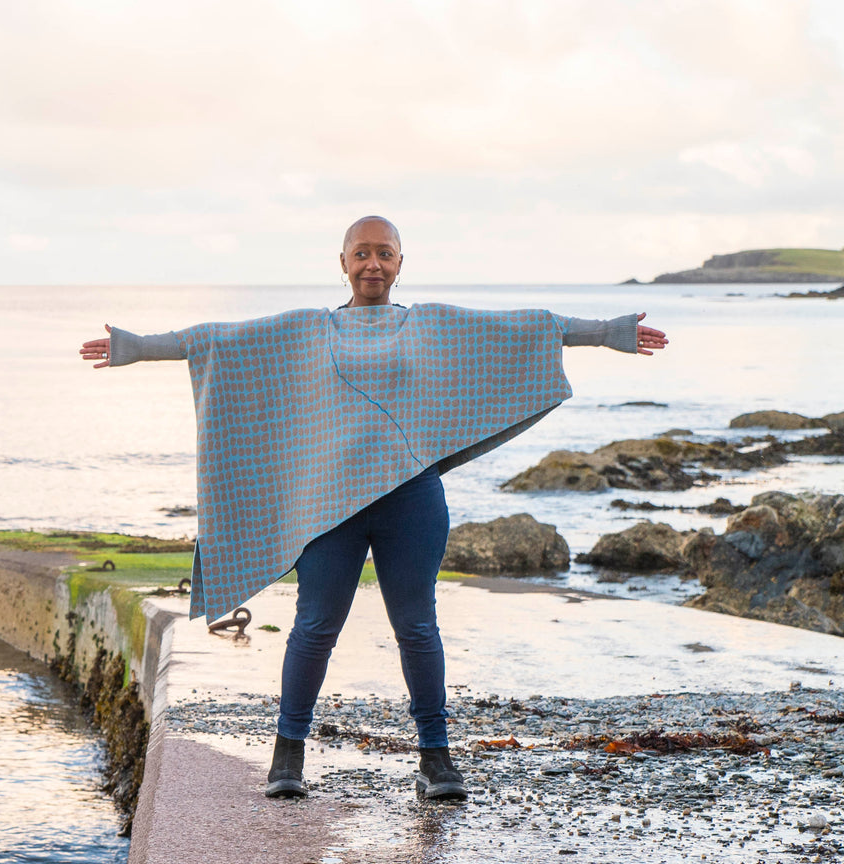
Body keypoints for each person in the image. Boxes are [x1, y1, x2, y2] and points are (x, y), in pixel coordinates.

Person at [81, 215, 668, 802]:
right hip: (329, 505)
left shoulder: (429, 325)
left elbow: (525, 328)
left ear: (400, 263)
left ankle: (435, 761)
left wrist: (608, 331)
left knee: (416, 627)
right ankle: (287, 757)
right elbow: (215, 340)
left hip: (411, 500)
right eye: (361, 253)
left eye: (384, 254)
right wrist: (134, 347)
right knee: (314, 627)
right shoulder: (307, 329)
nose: (372, 264)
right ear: (342, 263)